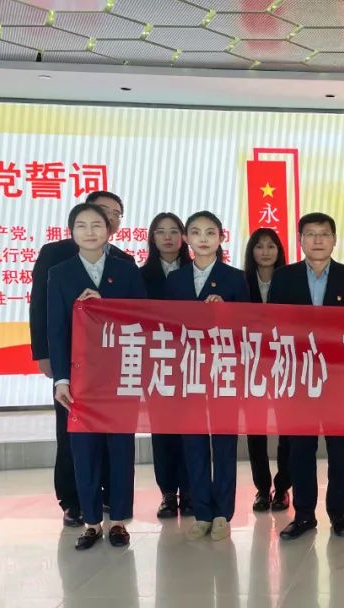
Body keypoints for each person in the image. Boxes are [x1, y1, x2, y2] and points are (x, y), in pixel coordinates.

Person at [30, 190, 133, 527]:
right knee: (71, 432)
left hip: (113, 366)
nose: (105, 219)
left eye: (114, 214)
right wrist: (45, 355)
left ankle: (107, 497)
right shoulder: (56, 256)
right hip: (72, 364)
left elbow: (138, 313)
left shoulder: (124, 261)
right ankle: (72, 500)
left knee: (111, 435)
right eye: (100, 211)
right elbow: (42, 308)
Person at [47, 202, 146, 549]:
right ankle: (91, 522)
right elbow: (56, 330)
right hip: (80, 379)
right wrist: (60, 379)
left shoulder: (126, 270)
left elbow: (141, 319)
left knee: (120, 449)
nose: (89, 232)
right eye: (81, 225)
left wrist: (104, 304)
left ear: (109, 231)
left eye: (96, 225)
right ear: (71, 232)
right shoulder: (60, 273)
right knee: (84, 451)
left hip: (120, 373)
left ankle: (118, 521)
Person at [269, 213, 344, 541]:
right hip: (298, 379)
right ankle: (304, 515)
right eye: (310, 234)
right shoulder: (284, 278)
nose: (317, 240)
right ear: (300, 240)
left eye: (324, 234)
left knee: (340, 452)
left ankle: (339, 514)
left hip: (339, 379)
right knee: (300, 450)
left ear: (334, 240)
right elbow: (274, 326)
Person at [165, 211, 249, 542]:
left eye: (210, 233)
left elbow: (249, 325)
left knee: (224, 444)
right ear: (186, 238)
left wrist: (226, 311)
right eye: (196, 233)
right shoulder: (176, 280)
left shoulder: (235, 278)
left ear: (221, 238)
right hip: (188, 371)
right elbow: (167, 326)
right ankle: (201, 512)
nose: (203, 239)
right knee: (194, 443)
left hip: (224, 370)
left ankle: (222, 513)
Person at [139, 212, 193, 519]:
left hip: (191, 361)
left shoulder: (196, 271)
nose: (168, 237)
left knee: (191, 429)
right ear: (152, 237)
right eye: (161, 232)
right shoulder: (139, 275)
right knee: (162, 429)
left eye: (174, 231)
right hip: (156, 360)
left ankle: (191, 490)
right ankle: (168, 493)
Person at [242, 228, 292, 513]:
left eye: (271, 246)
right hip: (251, 365)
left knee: (288, 427)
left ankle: (283, 487)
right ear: (251, 251)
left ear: (279, 251)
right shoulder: (241, 281)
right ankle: (262, 488)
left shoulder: (291, 280)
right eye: (259, 246)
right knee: (256, 429)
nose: (265, 252)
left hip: (285, 363)